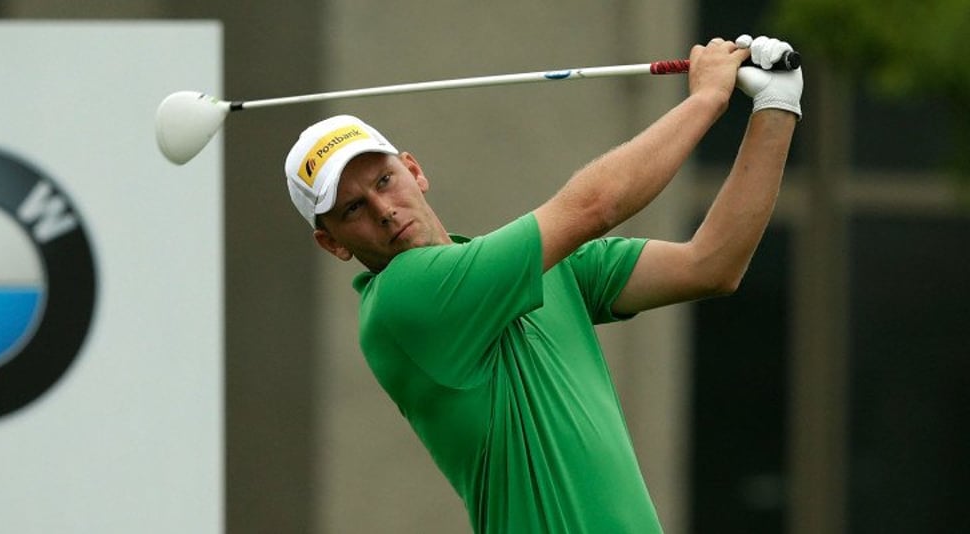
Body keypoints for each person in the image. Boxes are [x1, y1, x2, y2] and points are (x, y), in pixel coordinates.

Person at [283, 35, 801, 533]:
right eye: (353, 208)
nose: (383, 210)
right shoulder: (401, 301)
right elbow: (595, 207)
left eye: (383, 181)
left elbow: (710, 265)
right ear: (334, 244)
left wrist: (777, 108)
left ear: (414, 171)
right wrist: (709, 98)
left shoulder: (541, 268)